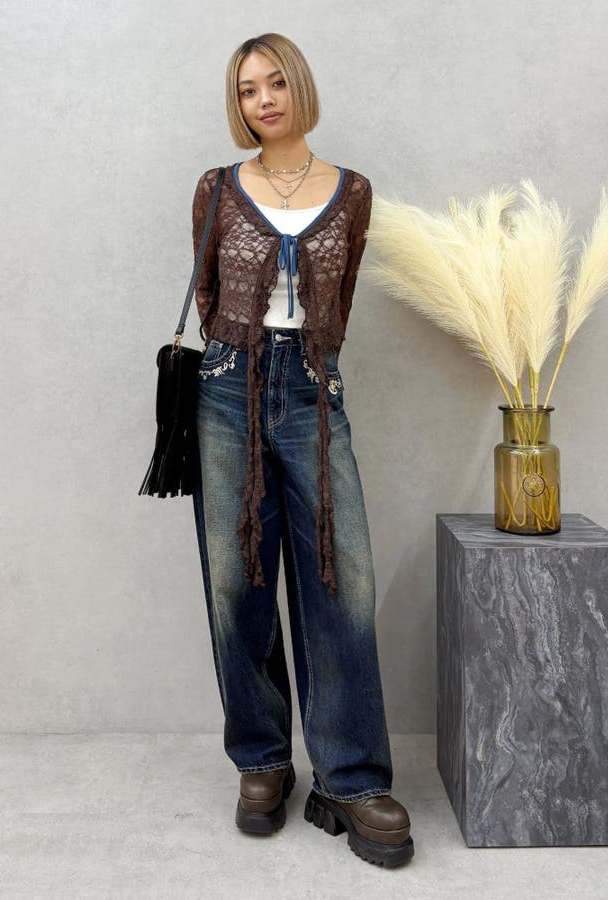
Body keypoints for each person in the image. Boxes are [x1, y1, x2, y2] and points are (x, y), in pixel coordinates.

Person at [190, 32, 414, 868]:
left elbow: (340, 300)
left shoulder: (352, 192)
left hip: (314, 390)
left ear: (300, 87)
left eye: (276, 82)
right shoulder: (217, 188)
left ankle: (351, 776)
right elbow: (210, 294)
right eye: (248, 90)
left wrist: (304, 366)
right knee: (236, 579)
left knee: (341, 578)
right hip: (226, 387)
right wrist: (243, 362)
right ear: (239, 105)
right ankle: (262, 760)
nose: (264, 100)